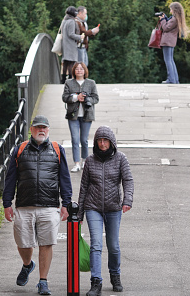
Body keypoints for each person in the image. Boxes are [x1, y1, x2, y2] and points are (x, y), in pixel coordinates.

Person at [3, 115, 73, 295]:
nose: (41, 130)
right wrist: (7, 203)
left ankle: (43, 281)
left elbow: (64, 178)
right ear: (31, 130)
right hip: (24, 205)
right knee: (23, 243)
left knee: (46, 243)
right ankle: (28, 265)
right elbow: (11, 178)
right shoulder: (20, 149)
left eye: (44, 127)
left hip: (49, 205)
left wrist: (66, 203)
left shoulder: (57, 150)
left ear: (48, 130)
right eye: (37, 127)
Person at [77, 125, 134, 296]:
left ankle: (115, 275)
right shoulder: (90, 161)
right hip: (92, 207)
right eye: (99, 141)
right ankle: (96, 282)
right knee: (96, 245)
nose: (102, 144)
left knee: (113, 246)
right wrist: (79, 213)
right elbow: (84, 187)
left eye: (105, 140)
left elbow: (128, 180)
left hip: (113, 208)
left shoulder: (120, 159)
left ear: (111, 142)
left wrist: (127, 200)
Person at [62, 62, 99, 172]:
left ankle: (85, 161)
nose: (79, 71)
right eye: (77, 69)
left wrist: (87, 99)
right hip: (73, 115)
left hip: (87, 115)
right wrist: (76, 97)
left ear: (85, 71)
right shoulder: (69, 83)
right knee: (75, 139)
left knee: (84, 140)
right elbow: (64, 97)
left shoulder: (91, 83)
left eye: (81, 69)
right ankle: (76, 163)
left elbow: (96, 98)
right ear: (73, 71)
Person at [158, 2, 190, 84]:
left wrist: (162, 20)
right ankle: (175, 80)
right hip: (171, 41)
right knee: (171, 60)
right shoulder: (175, 19)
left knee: (168, 60)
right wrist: (165, 18)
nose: (170, 11)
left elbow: (165, 28)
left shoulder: (174, 19)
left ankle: (171, 80)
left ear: (174, 10)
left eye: (171, 9)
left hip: (167, 41)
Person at [59, 6, 84, 84]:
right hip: (70, 45)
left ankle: (63, 79)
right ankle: (70, 78)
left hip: (65, 44)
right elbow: (71, 34)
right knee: (71, 62)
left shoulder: (64, 21)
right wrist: (80, 37)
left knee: (66, 62)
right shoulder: (72, 21)